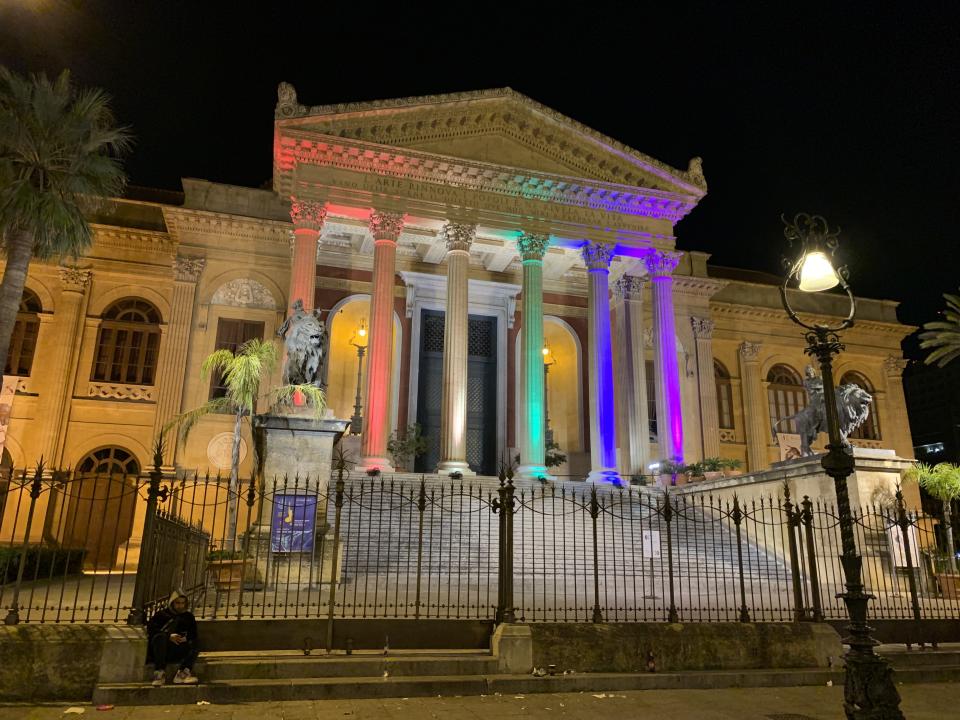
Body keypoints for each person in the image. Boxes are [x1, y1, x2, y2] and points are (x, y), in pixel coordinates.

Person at [146, 589, 200, 686]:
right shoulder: (161, 615)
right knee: (160, 637)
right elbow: (151, 630)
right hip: (162, 650)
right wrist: (169, 636)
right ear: (172, 603)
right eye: (177, 603)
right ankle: (159, 673)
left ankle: (183, 673)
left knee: (195, 642)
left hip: (178, 648)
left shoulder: (188, 617)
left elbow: (193, 634)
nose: (180, 606)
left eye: (183, 603)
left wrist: (185, 639)